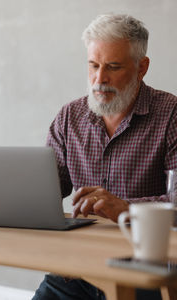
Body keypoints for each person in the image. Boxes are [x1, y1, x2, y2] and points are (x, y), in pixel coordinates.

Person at [32, 13, 177, 300]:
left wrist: (126, 209)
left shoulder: (171, 115)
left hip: (148, 270)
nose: (100, 79)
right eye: (93, 65)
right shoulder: (69, 118)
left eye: (113, 66)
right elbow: (44, 193)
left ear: (141, 67)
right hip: (76, 269)